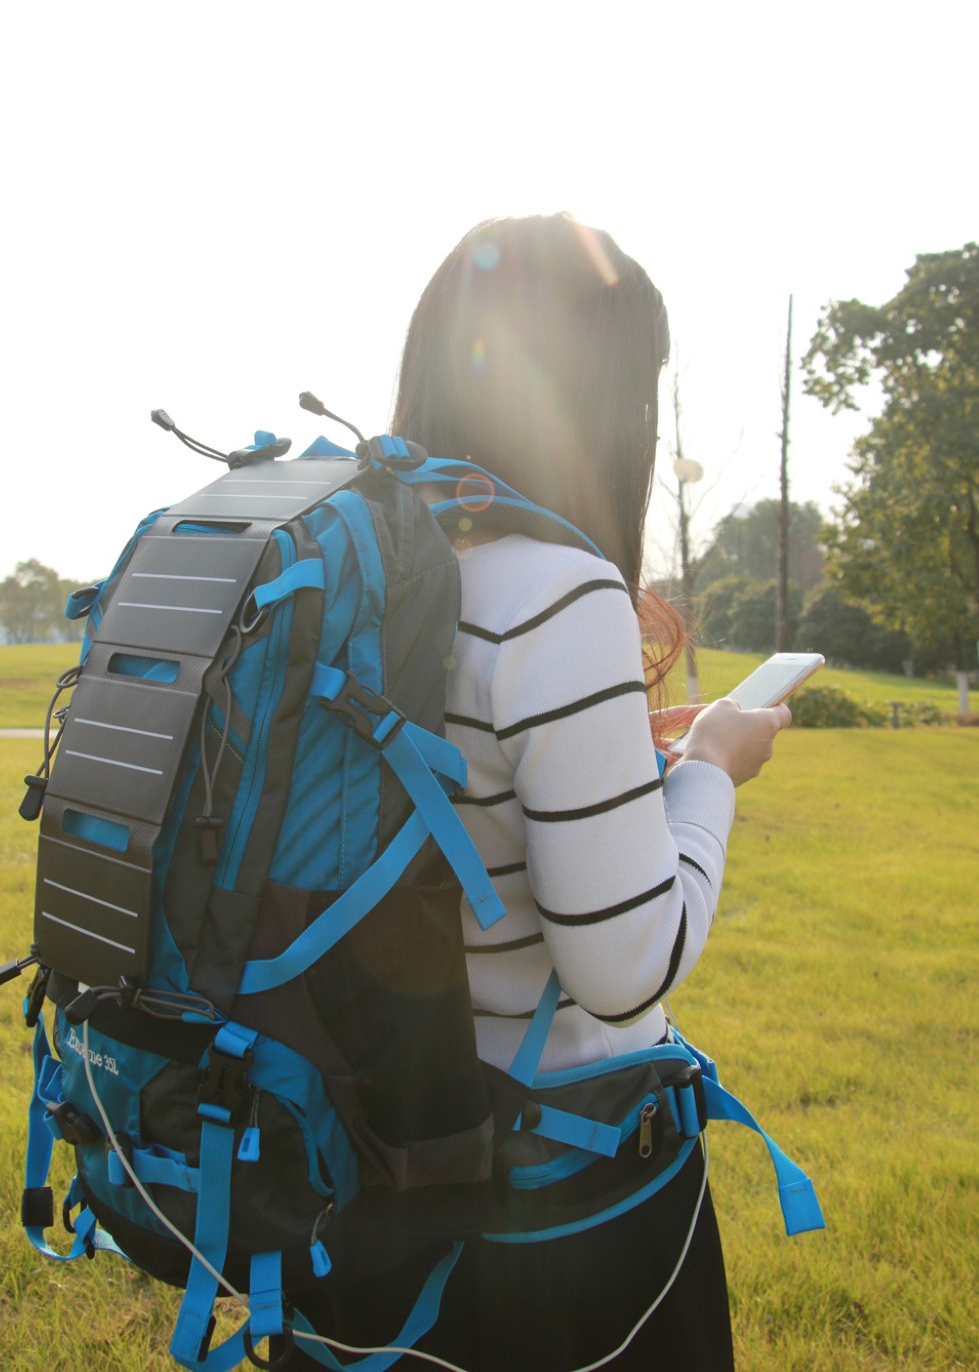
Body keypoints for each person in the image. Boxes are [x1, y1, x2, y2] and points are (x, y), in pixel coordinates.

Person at [288, 214, 791, 1370]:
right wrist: (710, 769)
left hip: (359, 1167)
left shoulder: (356, 565)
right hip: (544, 1210)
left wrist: (616, 766)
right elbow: (623, 968)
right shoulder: (560, 592)